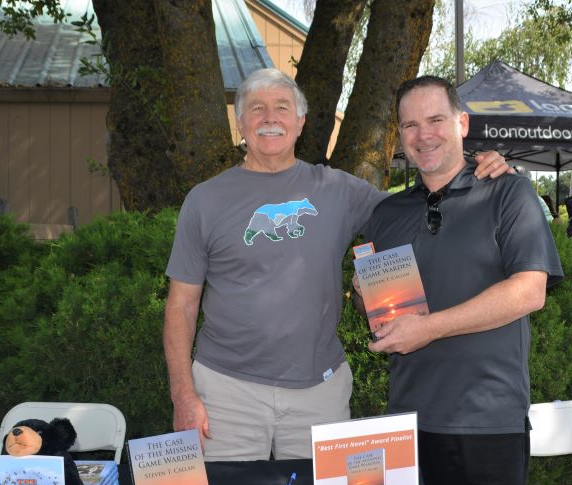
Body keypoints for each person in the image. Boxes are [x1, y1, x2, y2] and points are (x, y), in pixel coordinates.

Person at [163, 68, 510, 462]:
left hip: (319, 394)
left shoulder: (336, 189)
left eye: (282, 107)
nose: (270, 118)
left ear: (300, 122)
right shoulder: (205, 200)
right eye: (257, 109)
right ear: (240, 123)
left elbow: (420, 206)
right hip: (225, 392)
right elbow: (181, 305)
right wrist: (183, 394)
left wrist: (478, 174)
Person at [360, 75, 563, 485]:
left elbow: (529, 291)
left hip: (487, 420)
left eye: (435, 120)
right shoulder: (387, 214)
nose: (423, 134)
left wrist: (426, 329)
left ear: (462, 123)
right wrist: (365, 288)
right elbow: (380, 304)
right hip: (409, 421)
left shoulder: (510, 194)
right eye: (410, 124)